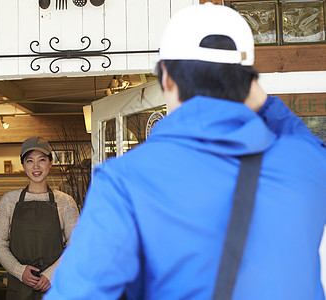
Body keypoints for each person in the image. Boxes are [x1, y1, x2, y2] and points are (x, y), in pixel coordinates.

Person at [44, 3, 326, 300]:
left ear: (166, 78)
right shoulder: (308, 164)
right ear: (248, 84)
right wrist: (263, 101)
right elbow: (306, 142)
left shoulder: (125, 180)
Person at [0, 136, 79, 300]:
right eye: (30, 161)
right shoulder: (9, 201)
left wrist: (51, 275)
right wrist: (19, 271)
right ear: (23, 165)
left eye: (42, 160)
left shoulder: (65, 202)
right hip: (19, 286)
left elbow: (76, 245)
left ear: (50, 163)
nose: (36, 166)